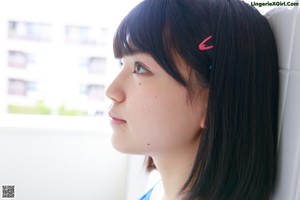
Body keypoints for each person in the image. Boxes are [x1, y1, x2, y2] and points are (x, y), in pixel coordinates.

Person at [105, 0, 279, 199]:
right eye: (121, 63)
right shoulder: (156, 193)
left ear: (211, 102)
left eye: (140, 68)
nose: (111, 91)